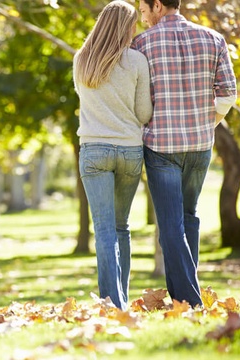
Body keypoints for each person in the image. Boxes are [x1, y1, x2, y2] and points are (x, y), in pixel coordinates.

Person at [131, 0, 237, 307]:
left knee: (171, 225)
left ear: (159, 6)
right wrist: (207, 123)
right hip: (200, 145)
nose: (142, 16)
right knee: (188, 217)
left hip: (161, 147)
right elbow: (228, 93)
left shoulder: (142, 43)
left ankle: (190, 300)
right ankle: (185, 299)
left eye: (143, 10)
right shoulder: (213, 38)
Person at [73, 0, 153, 310]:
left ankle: (112, 302)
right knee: (121, 226)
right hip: (130, 151)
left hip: (94, 151)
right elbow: (144, 113)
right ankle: (121, 297)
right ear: (126, 27)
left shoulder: (81, 59)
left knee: (104, 228)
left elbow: (88, 103)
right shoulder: (136, 61)